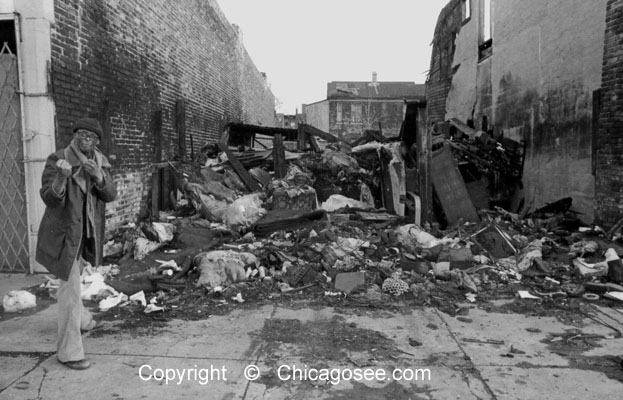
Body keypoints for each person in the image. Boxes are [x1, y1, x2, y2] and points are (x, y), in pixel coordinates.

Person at [36, 118, 117, 370]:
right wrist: (61, 178)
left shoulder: (99, 161)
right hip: (64, 235)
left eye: (91, 137)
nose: (86, 140)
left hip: (86, 234)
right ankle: (69, 353)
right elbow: (50, 198)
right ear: (74, 137)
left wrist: (99, 177)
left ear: (97, 142)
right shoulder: (58, 159)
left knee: (75, 280)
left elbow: (110, 194)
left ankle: (83, 320)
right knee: (69, 289)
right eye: (81, 135)